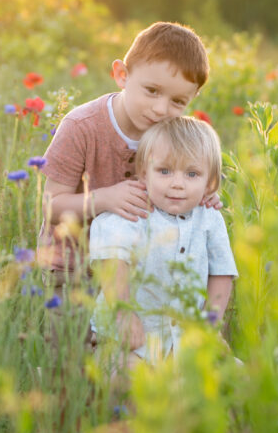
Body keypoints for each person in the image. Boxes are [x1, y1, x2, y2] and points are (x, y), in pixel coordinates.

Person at [37, 22, 218, 289]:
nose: (160, 109)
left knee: (136, 328)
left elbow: (185, 182)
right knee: (75, 331)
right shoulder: (81, 126)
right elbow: (51, 207)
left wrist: (201, 193)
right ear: (122, 74)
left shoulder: (176, 138)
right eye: (152, 91)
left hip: (138, 269)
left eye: (177, 101)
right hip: (71, 267)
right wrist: (105, 199)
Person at [88, 116, 237, 364]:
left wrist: (210, 323)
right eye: (165, 171)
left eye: (192, 174)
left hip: (185, 338)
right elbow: (112, 264)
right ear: (144, 175)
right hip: (130, 336)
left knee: (237, 378)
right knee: (125, 379)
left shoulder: (210, 218)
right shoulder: (132, 212)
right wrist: (123, 314)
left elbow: (222, 273)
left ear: (210, 183)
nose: (177, 184)